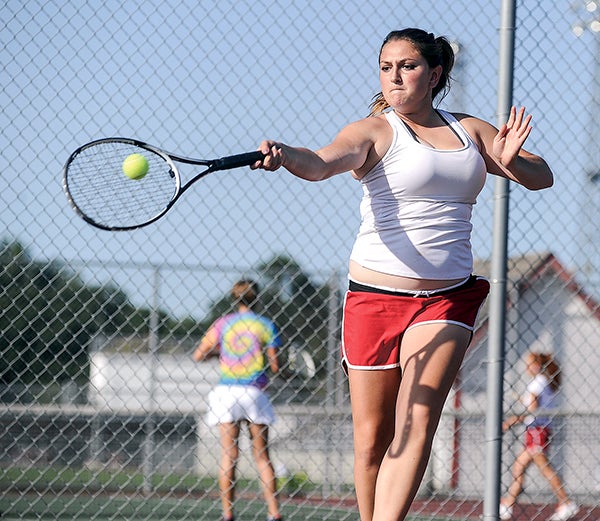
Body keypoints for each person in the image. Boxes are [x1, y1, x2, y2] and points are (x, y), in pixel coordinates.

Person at [252, 28, 554, 521]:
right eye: (386, 67)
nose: (395, 76)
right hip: (374, 299)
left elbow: (542, 177)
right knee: (372, 442)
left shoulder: (468, 131)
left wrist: (508, 158)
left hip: (446, 301)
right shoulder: (374, 131)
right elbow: (323, 162)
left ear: (434, 75)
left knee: (416, 422)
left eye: (407, 66)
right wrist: (287, 156)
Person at [193, 280, 283, 521]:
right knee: (262, 456)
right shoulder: (265, 325)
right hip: (254, 392)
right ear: (258, 298)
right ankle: (274, 513)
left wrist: (219, 353)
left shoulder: (222, 323)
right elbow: (275, 366)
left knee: (229, 455)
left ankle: (228, 513)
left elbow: (199, 354)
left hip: (227, 392)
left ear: (235, 298)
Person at [500, 352, 578, 521]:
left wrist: (511, 421)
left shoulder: (538, 383)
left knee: (543, 469)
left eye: (529, 363)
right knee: (519, 468)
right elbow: (534, 407)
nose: (526, 367)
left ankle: (566, 502)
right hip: (537, 430)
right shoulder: (544, 382)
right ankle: (507, 505)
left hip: (537, 431)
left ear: (536, 365)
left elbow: (532, 411)